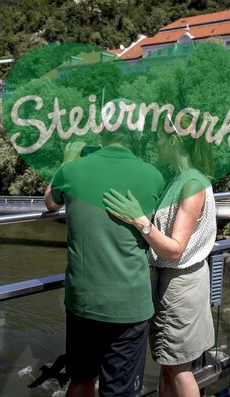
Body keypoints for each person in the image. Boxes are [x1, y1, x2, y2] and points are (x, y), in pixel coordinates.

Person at [45, 118, 165, 397]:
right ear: (135, 137)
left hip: (84, 301)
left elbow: (50, 202)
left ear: (101, 132)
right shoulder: (154, 175)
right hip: (129, 305)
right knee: (120, 392)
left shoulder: (71, 171)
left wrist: (65, 160)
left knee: (81, 380)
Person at [102, 126, 217, 397]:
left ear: (174, 141)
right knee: (170, 365)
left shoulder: (191, 185)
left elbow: (175, 250)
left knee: (178, 369)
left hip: (181, 285)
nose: (156, 143)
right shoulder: (181, 180)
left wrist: (139, 221)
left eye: (160, 138)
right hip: (180, 283)